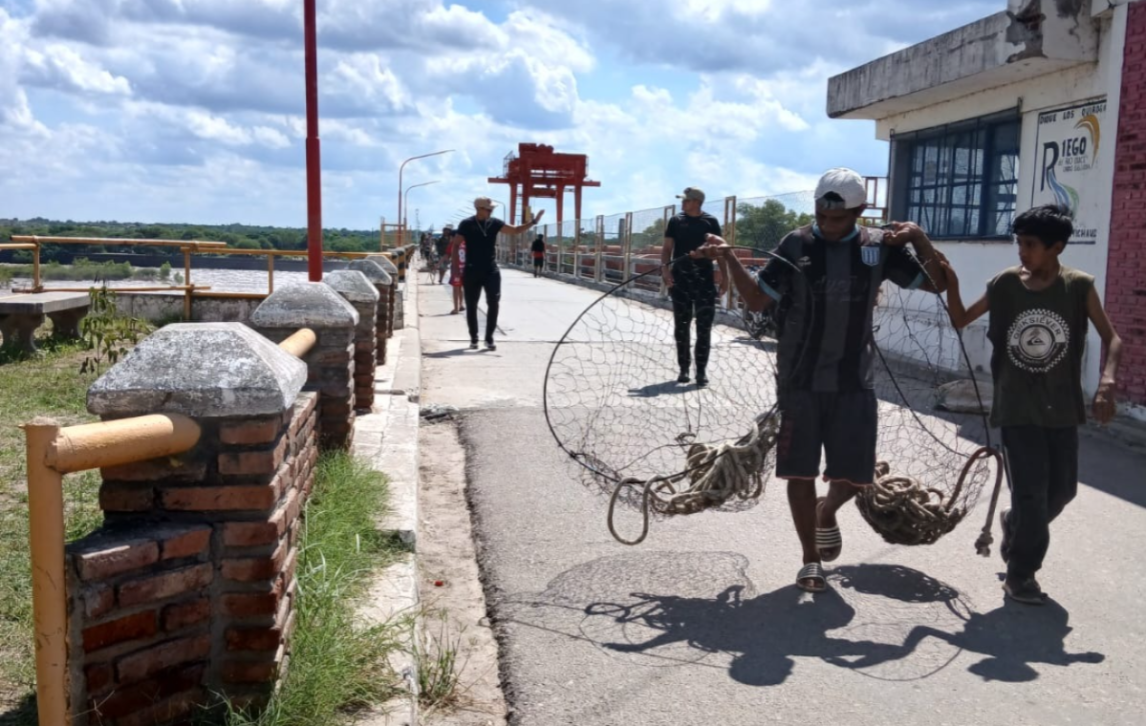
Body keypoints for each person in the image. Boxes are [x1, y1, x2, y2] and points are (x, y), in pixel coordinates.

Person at [693, 168, 947, 593]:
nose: (828, 226)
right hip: (800, 377)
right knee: (799, 473)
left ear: (860, 212)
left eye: (839, 219)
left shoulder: (878, 247)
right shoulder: (796, 243)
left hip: (855, 379)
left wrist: (919, 239)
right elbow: (756, 299)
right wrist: (728, 258)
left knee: (855, 474)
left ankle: (827, 511)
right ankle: (810, 559)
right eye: (822, 217)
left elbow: (938, 283)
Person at [941, 204, 1122, 605]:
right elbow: (960, 318)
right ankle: (1021, 574)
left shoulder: (1077, 286)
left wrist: (1107, 381)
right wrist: (951, 281)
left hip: (1062, 407)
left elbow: (1113, 339)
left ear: (1056, 247)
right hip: (1017, 407)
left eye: (1031, 245)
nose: (1022, 252)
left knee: (1061, 492)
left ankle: (1014, 524)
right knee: (1032, 494)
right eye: (1019, 243)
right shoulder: (1005, 284)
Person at [453, 197, 544, 350]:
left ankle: (489, 338)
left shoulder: (495, 223)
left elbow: (515, 230)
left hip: (491, 269)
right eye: (488, 209)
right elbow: (456, 245)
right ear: (479, 209)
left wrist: (533, 222)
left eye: (492, 209)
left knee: (493, 302)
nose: (491, 211)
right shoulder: (466, 224)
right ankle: (474, 337)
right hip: (471, 269)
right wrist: (455, 267)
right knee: (471, 305)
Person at [661, 187, 729, 387]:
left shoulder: (710, 222)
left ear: (697, 202)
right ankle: (683, 368)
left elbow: (719, 250)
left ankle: (701, 371)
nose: (683, 203)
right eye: (683, 200)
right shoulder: (675, 221)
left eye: (687, 200)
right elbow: (666, 250)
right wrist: (665, 271)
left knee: (704, 327)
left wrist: (725, 277)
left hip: (704, 281)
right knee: (681, 326)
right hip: (680, 280)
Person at [448, 232, 466, 314]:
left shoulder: (454, 244)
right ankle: (461, 305)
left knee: (456, 288)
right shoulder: (466, 243)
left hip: (457, 270)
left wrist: (438, 264)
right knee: (460, 288)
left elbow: (447, 255)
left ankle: (455, 308)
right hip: (465, 269)